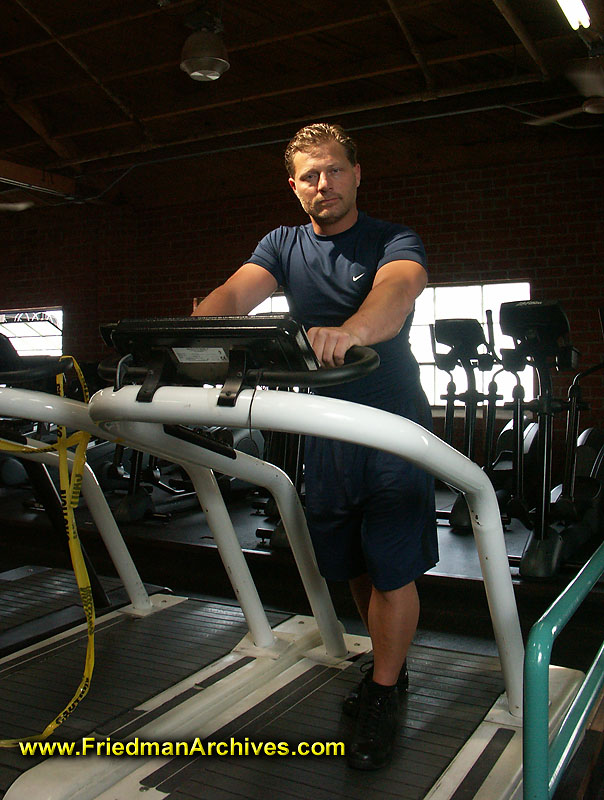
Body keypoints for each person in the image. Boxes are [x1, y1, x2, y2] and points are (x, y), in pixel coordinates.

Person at [192, 123, 437, 770]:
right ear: (294, 186)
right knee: (354, 558)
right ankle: (390, 665)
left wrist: (350, 331)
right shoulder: (283, 243)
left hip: (390, 419)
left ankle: (386, 686)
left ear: (357, 174)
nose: (322, 184)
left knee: (392, 560)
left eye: (332, 170)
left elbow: (397, 293)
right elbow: (236, 292)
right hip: (327, 424)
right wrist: (200, 328)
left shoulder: (392, 238)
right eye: (309, 175)